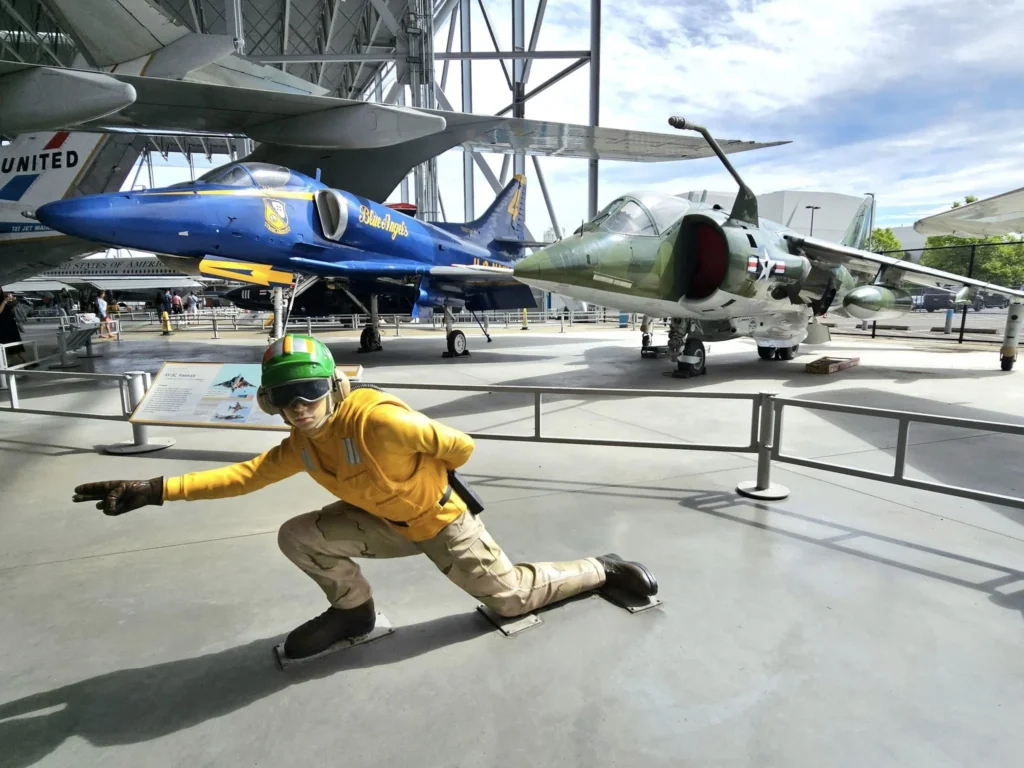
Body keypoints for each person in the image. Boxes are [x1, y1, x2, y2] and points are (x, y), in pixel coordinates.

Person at [72, 334, 658, 661]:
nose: (298, 406)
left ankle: (599, 569)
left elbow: (462, 448)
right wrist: (154, 489)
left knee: (509, 601)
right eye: (284, 397)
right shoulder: (300, 443)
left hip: (441, 523)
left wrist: (422, 483)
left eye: (308, 391)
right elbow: (244, 476)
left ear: (332, 386)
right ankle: (354, 613)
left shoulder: (380, 421)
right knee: (297, 535)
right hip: (381, 523)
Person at [0, 292, 25, 363]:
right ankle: (24, 361)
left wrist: (12, 300)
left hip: (10, 326)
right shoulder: (3, 301)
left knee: (16, 344)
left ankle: (25, 361)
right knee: (7, 345)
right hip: (3, 327)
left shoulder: (4, 299)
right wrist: (5, 301)